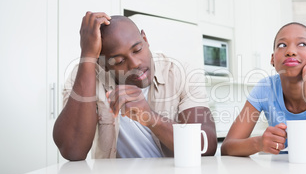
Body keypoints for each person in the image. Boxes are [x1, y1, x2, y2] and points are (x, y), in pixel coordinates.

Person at [53, 11, 217, 160]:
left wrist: (151, 117)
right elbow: (72, 150)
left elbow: (207, 146)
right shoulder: (86, 74)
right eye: (120, 61)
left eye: (137, 50)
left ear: (145, 39)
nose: (135, 63)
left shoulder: (182, 73)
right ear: (103, 65)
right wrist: (87, 55)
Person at [221, 22, 306, 158]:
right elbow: (227, 147)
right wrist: (258, 143)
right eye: (282, 45)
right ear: (272, 59)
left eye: (302, 44)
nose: (290, 51)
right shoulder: (264, 88)